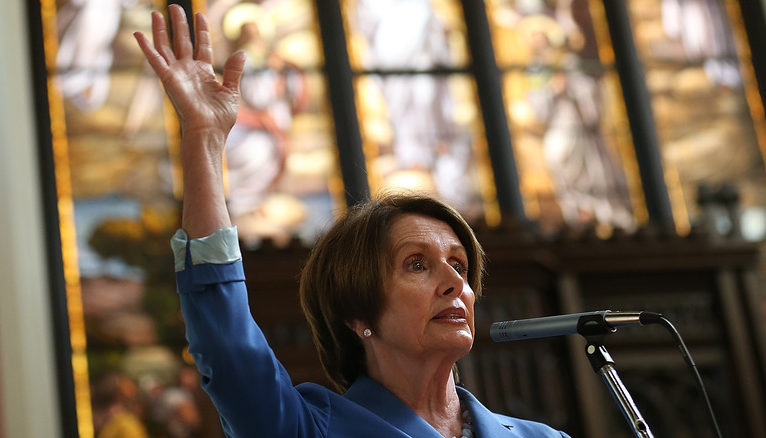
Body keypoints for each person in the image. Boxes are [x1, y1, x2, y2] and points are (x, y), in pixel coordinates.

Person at [134, 5, 571, 437]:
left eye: (459, 265)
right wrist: (204, 139)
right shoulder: (308, 429)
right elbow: (227, 344)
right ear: (359, 313)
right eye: (416, 264)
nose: (455, 283)